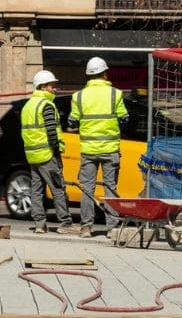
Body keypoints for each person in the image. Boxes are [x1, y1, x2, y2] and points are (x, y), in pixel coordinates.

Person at [68, 57, 129, 238]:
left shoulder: (78, 96)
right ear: (105, 73)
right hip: (110, 149)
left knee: (88, 188)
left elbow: (72, 120)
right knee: (110, 187)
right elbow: (125, 118)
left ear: (88, 75)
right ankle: (111, 228)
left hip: (88, 150)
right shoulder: (115, 94)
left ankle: (86, 227)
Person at [20, 70, 77, 235]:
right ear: (42, 86)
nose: (54, 89)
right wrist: (57, 151)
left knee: (36, 190)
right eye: (52, 86)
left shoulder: (28, 105)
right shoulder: (46, 105)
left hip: (33, 156)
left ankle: (39, 224)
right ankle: (65, 223)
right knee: (58, 189)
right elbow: (51, 131)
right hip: (47, 155)